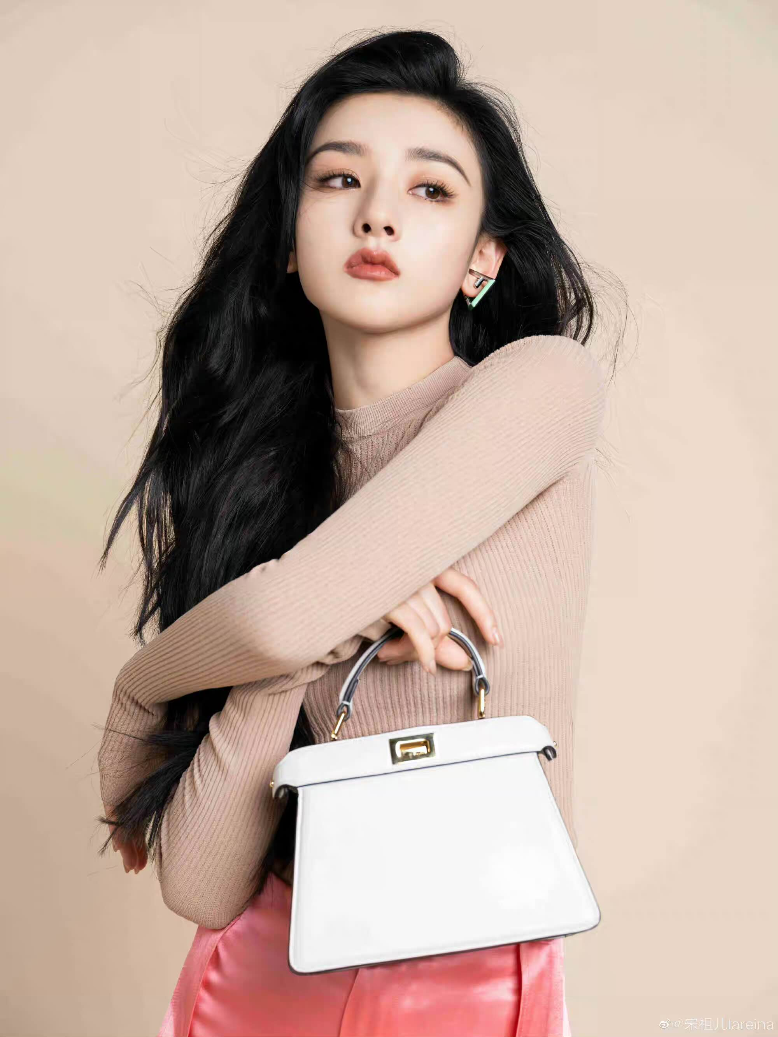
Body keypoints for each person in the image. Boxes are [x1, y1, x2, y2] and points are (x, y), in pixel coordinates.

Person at [95, 28, 619, 1037]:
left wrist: (142, 686)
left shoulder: (542, 385)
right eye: (339, 179)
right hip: (261, 979)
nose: (377, 212)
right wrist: (298, 652)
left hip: (470, 978)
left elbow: (278, 614)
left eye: (430, 189)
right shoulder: (257, 481)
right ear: (290, 240)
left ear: (483, 257)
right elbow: (201, 886)